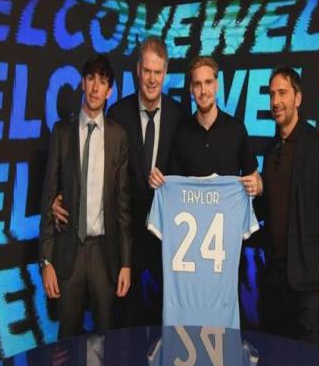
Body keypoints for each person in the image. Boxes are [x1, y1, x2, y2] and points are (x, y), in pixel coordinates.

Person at [52, 37, 188, 326]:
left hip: (168, 240)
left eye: (158, 72)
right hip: (122, 242)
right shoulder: (117, 114)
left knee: (167, 322)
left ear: (165, 74)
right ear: (138, 70)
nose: (152, 79)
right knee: (121, 326)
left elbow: (189, 171)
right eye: (147, 71)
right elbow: (91, 173)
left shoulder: (179, 116)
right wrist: (58, 199)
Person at [39, 54, 131, 338]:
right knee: (66, 341)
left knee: (108, 340)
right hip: (69, 253)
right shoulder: (61, 133)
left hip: (105, 255)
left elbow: (123, 206)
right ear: (82, 82)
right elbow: (48, 198)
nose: (95, 87)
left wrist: (126, 263)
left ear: (110, 91)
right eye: (91, 79)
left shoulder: (118, 137)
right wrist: (46, 261)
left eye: (102, 82)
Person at [259, 66, 319, 346]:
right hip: (275, 282)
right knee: (276, 357)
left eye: (282, 93)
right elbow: (267, 211)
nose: (275, 101)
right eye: (271, 94)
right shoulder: (271, 149)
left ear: (298, 98)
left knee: (307, 360)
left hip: (309, 284)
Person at [149, 55, 262, 195]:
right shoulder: (181, 134)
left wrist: (257, 186)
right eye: (197, 84)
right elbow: (172, 188)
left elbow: (256, 179)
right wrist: (158, 183)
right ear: (191, 89)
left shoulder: (237, 129)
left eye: (208, 82)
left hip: (230, 210)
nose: (203, 91)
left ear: (216, 85)